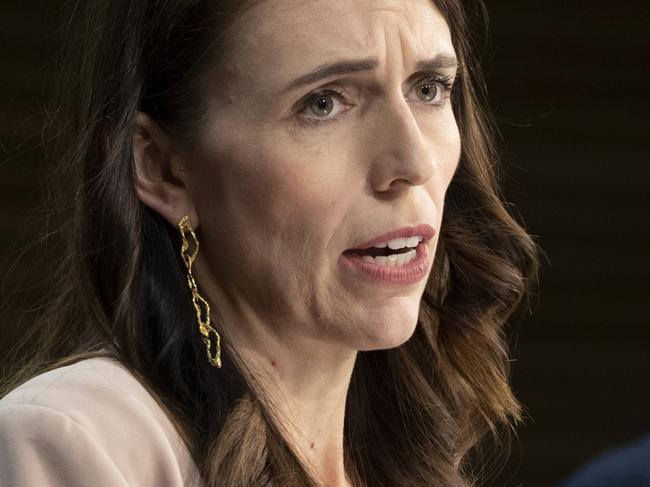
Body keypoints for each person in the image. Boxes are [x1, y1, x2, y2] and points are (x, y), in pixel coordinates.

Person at [0, 0, 539, 485]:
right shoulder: (75, 442)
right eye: (323, 103)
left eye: (428, 88)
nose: (414, 163)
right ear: (162, 168)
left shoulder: (404, 463)